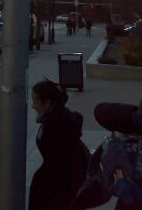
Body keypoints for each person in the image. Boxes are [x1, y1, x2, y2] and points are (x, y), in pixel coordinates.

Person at [29, 79, 89, 210]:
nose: (32, 106)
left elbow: (61, 166)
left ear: (47, 103)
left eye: (35, 101)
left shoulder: (58, 126)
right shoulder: (54, 121)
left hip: (57, 193)